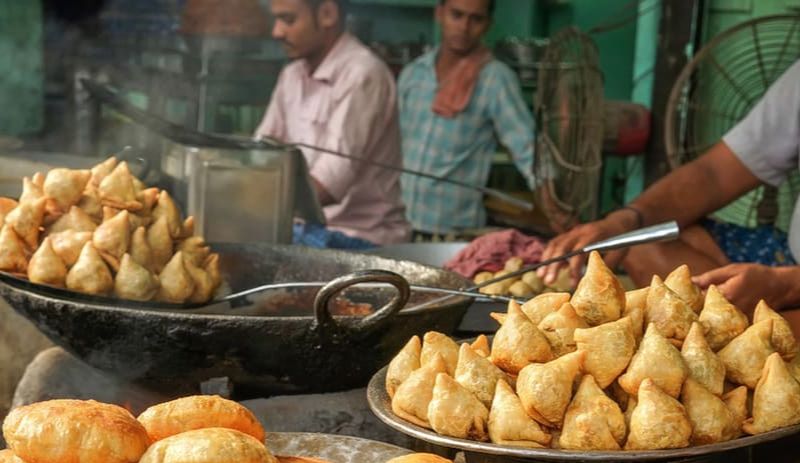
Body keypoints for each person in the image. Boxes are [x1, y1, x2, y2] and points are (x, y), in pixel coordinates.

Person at [537, 59, 800, 336]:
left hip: (786, 280)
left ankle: (761, 331)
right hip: (784, 257)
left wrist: (785, 285)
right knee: (639, 242)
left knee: (771, 338)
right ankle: (749, 326)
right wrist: (623, 222)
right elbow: (713, 174)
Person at [255, 0, 411, 246]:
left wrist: (244, 197)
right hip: (305, 230)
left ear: (327, 14)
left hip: (359, 242)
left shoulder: (363, 74)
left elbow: (326, 187)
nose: (277, 32)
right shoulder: (292, 75)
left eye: (289, 20)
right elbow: (261, 153)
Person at [398, 0, 543, 238]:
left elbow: (528, 149)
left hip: (452, 233)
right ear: (440, 13)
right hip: (400, 223)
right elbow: (393, 145)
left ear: (488, 24)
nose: (464, 27)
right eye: (457, 15)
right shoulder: (413, 73)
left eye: (476, 19)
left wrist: (555, 202)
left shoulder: (495, 79)